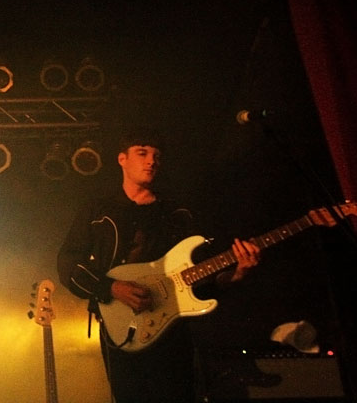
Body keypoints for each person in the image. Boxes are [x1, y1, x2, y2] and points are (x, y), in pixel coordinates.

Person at [57, 128, 261, 402]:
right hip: (120, 324)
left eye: (157, 156)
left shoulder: (177, 214)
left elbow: (199, 277)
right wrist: (111, 288)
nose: (151, 161)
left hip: (172, 329)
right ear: (122, 159)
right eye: (142, 153)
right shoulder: (98, 211)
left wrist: (236, 274)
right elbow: (68, 262)